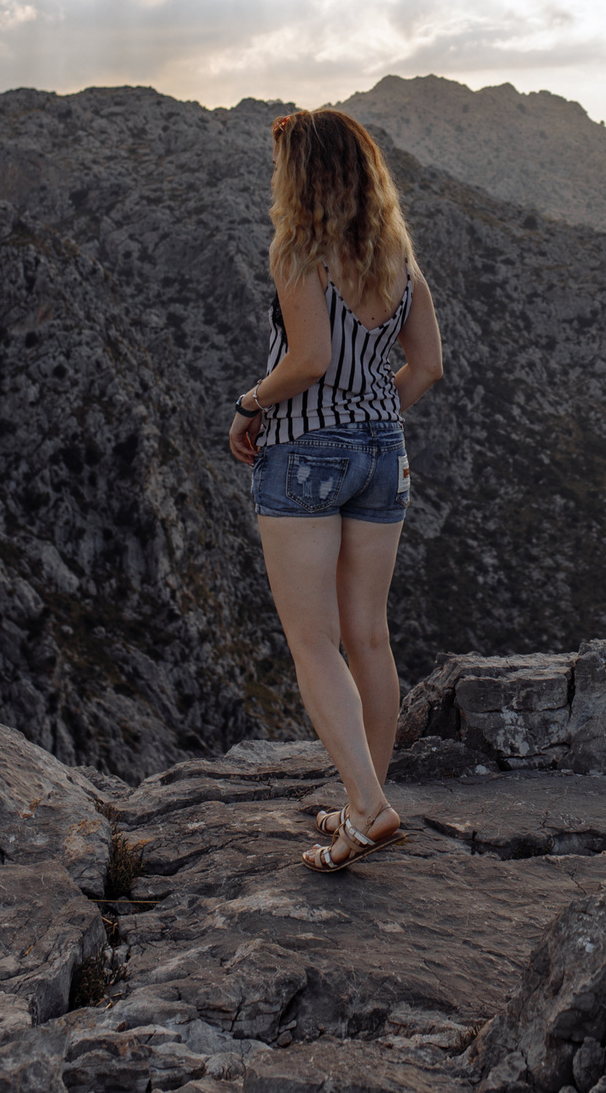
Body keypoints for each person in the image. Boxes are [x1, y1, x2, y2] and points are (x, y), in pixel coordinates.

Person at [228, 108, 446, 873]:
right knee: (370, 637)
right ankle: (365, 801)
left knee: (314, 640)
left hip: (304, 452)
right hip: (385, 452)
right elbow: (426, 366)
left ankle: (369, 807)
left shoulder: (299, 252)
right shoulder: (399, 260)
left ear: (304, 178)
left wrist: (250, 402)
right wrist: (370, 420)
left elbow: (310, 358)